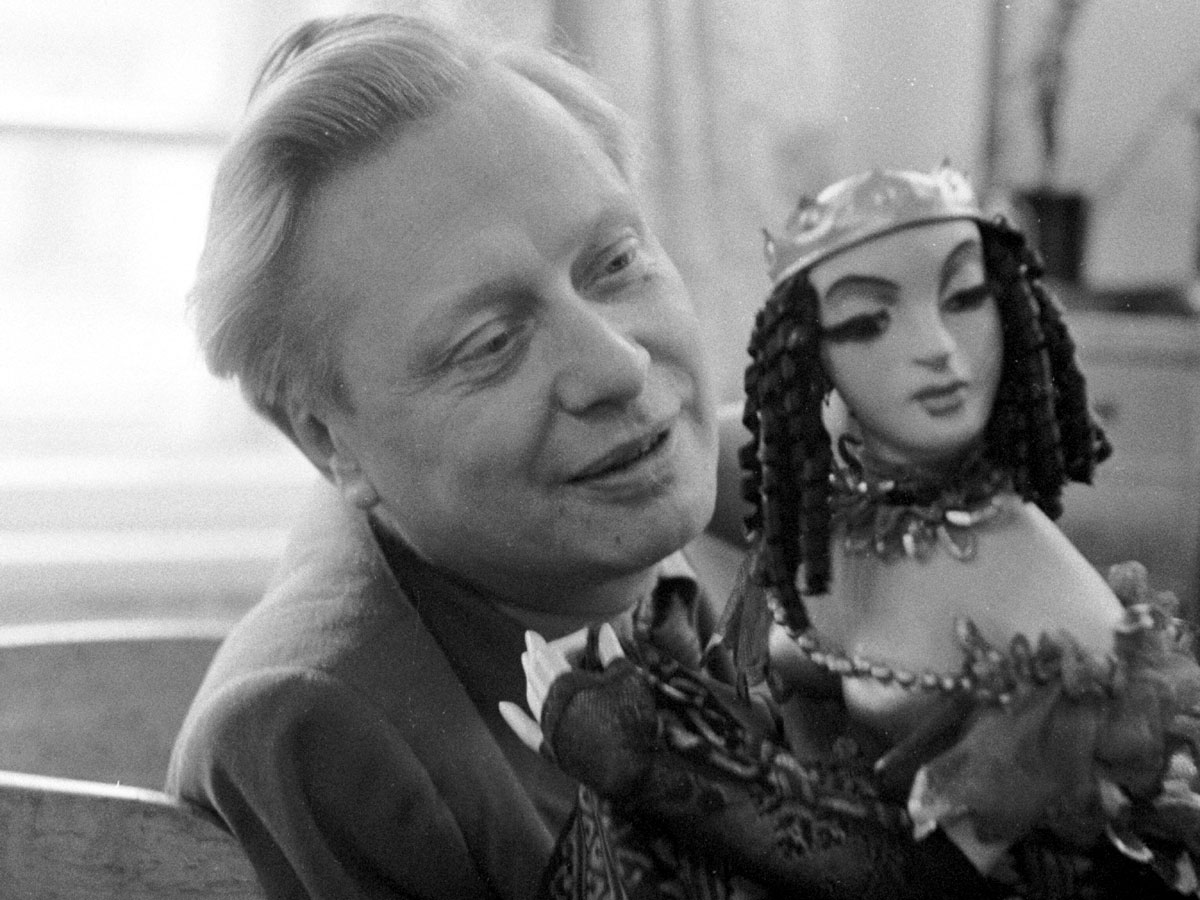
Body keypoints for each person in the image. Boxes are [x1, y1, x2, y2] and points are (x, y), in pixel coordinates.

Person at [166, 12, 744, 899]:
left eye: (615, 263)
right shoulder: (325, 735)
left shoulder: (766, 496)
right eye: (490, 344)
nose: (618, 365)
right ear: (327, 440)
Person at [511, 166, 1200, 898]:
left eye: (964, 297)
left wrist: (658, 756)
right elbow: (779, 714)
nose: (938, 347)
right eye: (870, 320)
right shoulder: (819, 505)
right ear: (810, 354)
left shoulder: (1066, 636)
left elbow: (924, 880)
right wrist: (676, 681)